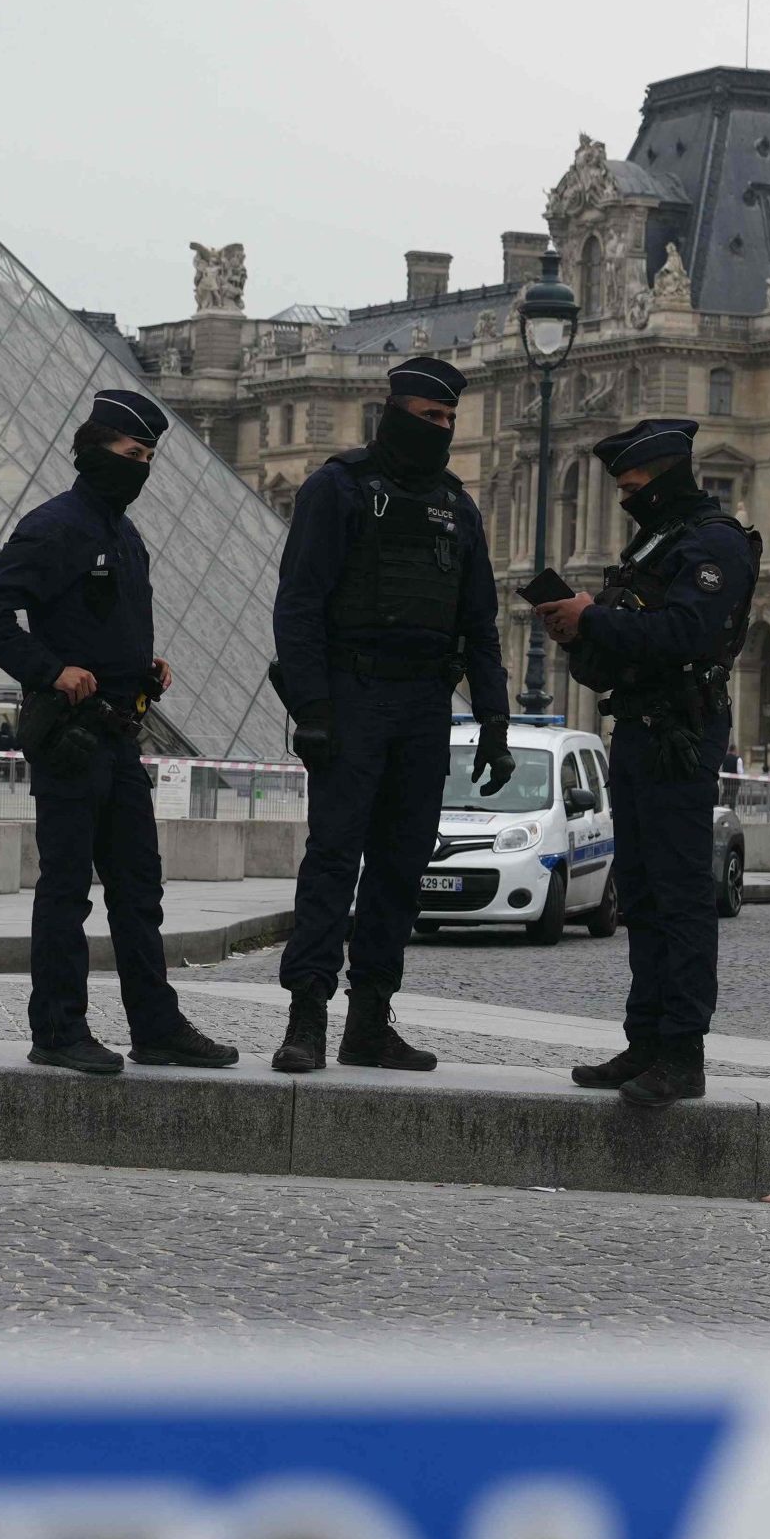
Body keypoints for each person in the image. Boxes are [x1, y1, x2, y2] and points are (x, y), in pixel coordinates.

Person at [0, 388, 238, 1078]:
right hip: (72, 737)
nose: (140, 467)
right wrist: (50, 670)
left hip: (119, 733)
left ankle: (156, 1027)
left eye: (147, 457)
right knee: (66, 889)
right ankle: (58, 1029)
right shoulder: (55, 527)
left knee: (139, 888)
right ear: (92, 451)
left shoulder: (125, 534)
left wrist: (146, 666)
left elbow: (103, 621)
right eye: (130, 453)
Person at [269, 354, 514, 1073]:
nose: (441, 428)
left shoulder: (457, 507)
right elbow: (299, 604)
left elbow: (480, 623)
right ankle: (306, 1017)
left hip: (423, 705)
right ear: (394, 412)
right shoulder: (337, 487)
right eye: (430, 416)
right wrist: (312, 708)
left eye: (449, 419)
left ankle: (370, 1019)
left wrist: (495, 722)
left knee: (401, 868)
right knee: (332, 860)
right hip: (353, 695)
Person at [533, 419, 760, 1108]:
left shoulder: (714, 542)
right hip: (636, 727)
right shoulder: (655, 542)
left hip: (681, 732)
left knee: (680, 894)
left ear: (664, 479)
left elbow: (686, 632)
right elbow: (623, 645)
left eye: (633, 487)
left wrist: (593, 618)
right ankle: (645, 1040)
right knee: (640, 891)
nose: (626, 499)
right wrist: (577, 632)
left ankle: (682, 1052)